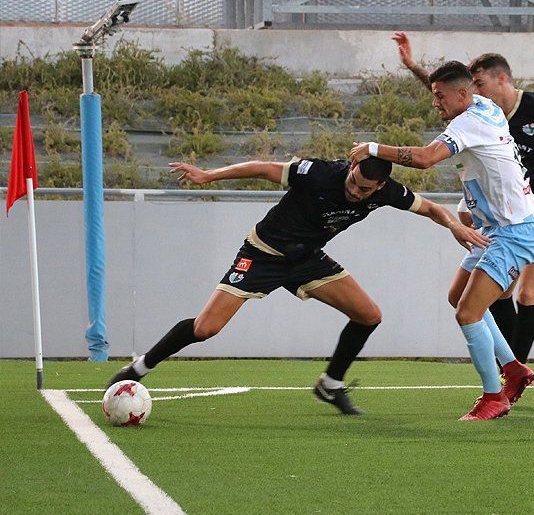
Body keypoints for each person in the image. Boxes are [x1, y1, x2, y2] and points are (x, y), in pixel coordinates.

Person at [108, 156, 488, 415]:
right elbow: (263, 168)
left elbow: (429, 208)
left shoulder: (388, 191)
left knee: (368, 315)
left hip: (307, 259)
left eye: (366, 190)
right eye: (354, 183)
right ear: (351, 167)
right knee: (206, 328)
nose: (356, 193)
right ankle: (138, 368)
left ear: (381, 185)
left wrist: (453, 224)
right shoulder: (319, 172)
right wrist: (208, 175)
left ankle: (330, 384)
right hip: (263, 253)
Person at [392, 32, 534, 364]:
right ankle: (513, 369)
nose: (474, 91)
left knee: (528, 291)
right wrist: (413, 66)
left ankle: (514, 372)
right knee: (497, 292)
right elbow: (449, 94)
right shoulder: (483, 114)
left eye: (479, 83)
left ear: (500, 78)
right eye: (470, 85)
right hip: (508, 216)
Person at [350, 61, 534, 421]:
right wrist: (413, 66)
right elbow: (454, 86)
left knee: (467, 313)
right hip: (496, 228)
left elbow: (423, 159)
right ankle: (514, 369)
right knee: (459, 297)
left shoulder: (469, 120)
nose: (435, 103)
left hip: (514, 231)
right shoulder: (484, 106)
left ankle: (493, 396)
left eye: (439, 97)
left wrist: (373, 148)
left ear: (463, 95)